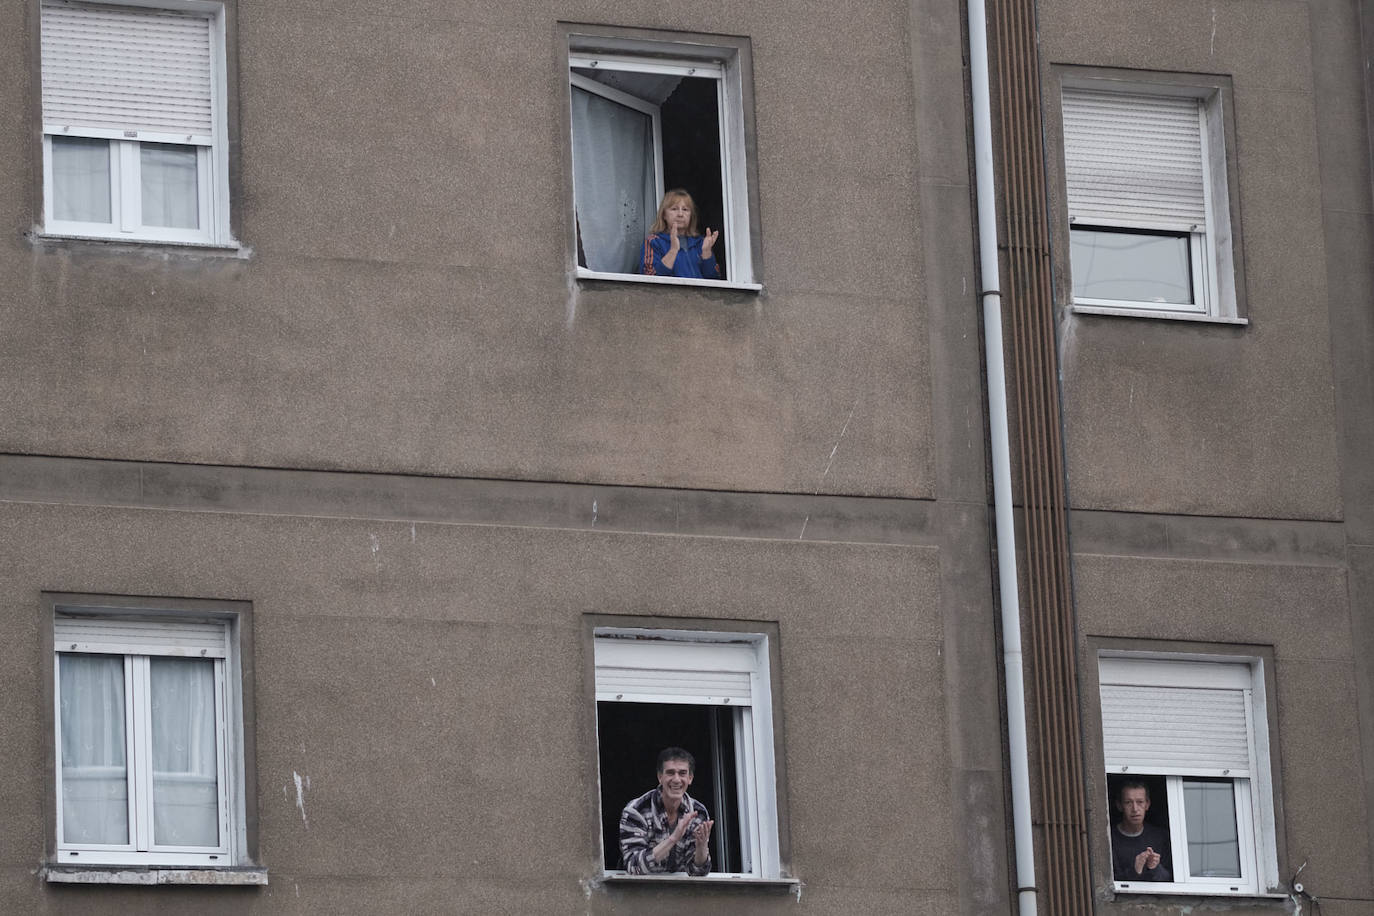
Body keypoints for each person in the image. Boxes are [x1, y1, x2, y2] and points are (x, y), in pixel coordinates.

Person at [619, 747, 715, 875]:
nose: (676, 779)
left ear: (690, 778)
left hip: (682, 892)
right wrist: (673, 838)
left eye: (682, 773)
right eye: (670, 773)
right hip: (639, 891)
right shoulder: (636, 811)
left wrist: (701, 847)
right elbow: (634, 867)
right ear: (660, 777)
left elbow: (697, 873)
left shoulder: (698, 812)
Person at [641, 190, 720, 279]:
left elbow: (714, 280)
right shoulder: (654, 242)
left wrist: (706, 252)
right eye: (674, 209)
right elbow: (649, 278)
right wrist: (673, 250)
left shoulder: (700, 242)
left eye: (685, 209)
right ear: (664, 215)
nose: (680, 214)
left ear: (691, 215)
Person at [1111, 780, 1173, 882]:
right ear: (1119, 805)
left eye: (1140, 802)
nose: (1135, 809)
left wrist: (1154, 867)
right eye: (1128, 803)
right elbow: (1108, 884)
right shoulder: (1110, 839)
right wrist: (1135, 870)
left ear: (1147, 804)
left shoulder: (1160, 837)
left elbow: (1171, 880)